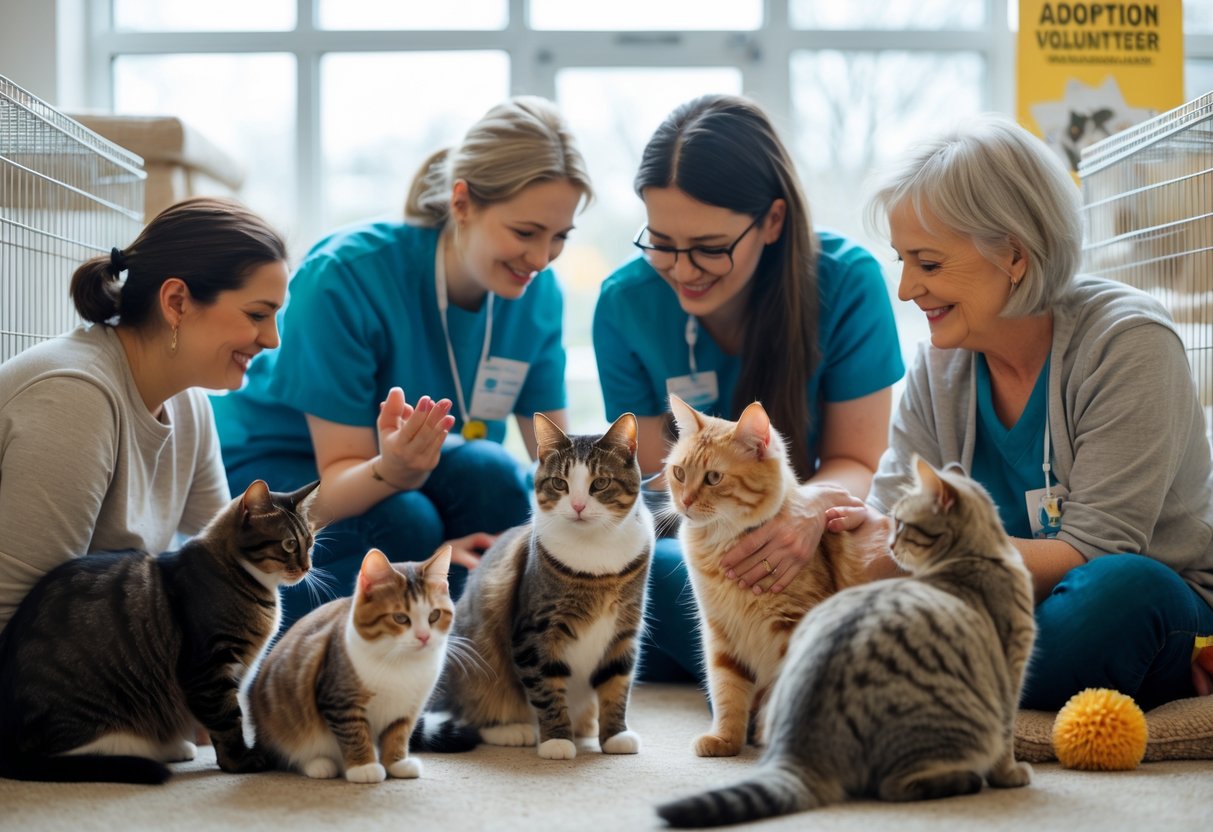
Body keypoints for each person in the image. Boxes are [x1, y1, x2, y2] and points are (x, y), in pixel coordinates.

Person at [854, 114, 1213, 710]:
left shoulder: (1129, 343)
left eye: (930, 264)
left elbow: (1095, 552)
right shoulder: (937, 364)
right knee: (690, 582)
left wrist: (907, 556)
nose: (906, 290)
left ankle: (921, 671)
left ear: (1014, 256)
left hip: (1133, 594)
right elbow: (884, 518)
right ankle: (949, 671)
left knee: (1119, 593)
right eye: (902, 261)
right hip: (986, 607)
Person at [212, 96, 593, 627]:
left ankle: (453, 611)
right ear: (462, 203)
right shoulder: (345, 276)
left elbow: (552, 464)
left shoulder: (538, 293)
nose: (541, 258)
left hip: (402, 465)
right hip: (287, 478)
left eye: (559, 237)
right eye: (525, 233)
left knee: (501, 482)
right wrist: (427, 536)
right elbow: (337, 479)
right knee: (406, 523)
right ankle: (238, 620)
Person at [592, 94, 905, 682]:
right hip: (700, 540)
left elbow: (857, 461)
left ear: (773, 221)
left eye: (710, 248)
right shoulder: (622, 305)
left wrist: (803, 515)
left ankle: (766, 668)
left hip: (817, 527)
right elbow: (665, 491)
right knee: (651, 571)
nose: (682, 271)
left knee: (871, 566)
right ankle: (778, 673)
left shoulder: (848, 283)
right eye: (661, 242)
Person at [0, 197, 289, 632]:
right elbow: (13, 621)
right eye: (258, 314)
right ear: (176, 301)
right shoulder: (73, 399)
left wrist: (387, 469)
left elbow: (235, 552)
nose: (272, 339)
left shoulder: (187, 402)